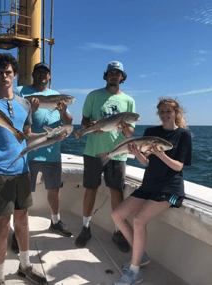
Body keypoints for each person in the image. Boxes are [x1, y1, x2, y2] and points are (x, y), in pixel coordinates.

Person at [0, 53, 46, 285]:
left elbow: (25, 135)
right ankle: (0, 279)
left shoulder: (25, 103)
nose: (4, 76)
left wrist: (50, 136)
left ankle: (25, 266)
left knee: (23, 220)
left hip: (22, 170)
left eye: (8, 72)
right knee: (3, 226)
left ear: (14, 74)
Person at [112, 98, 192, 285]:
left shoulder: (183, 136)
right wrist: (138, 154)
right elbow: (147, 163)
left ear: (176, 113)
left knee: (139, 219)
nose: (164, 115)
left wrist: (161, 154)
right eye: (162, 112)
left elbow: (178, 167)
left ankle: (135, 271)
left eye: (168, 112)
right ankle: (142, 255)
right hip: (149, 185)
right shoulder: (151, 132)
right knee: (117, 214)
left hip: (170, 188)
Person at [75, 61, 136, 252]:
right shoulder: (94, 95)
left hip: (117, 154)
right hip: (93, 151)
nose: (113, 76)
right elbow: (84, 121)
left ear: (122, 77)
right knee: (90, 189)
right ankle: (85, 228)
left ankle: (118, 232)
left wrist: (126, 127)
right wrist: (90, 126)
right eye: (110, 73)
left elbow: (129, 133)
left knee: (116, 192)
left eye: (117, 73)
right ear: (106, 75)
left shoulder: (128, 101)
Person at [12, 62, 73, 249]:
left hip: (51, 152)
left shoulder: (57, 96)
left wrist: (63, 112)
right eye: (38, 72)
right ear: (33, 74)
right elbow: (13, 115)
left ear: (49, 76)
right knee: (23, 195)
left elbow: (69, 121)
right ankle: (18, 232)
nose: (42, 75)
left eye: (45, 72)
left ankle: (55, 222)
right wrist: (31, 110)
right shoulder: (22, 91)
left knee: (54, 190)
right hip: (28, 152)